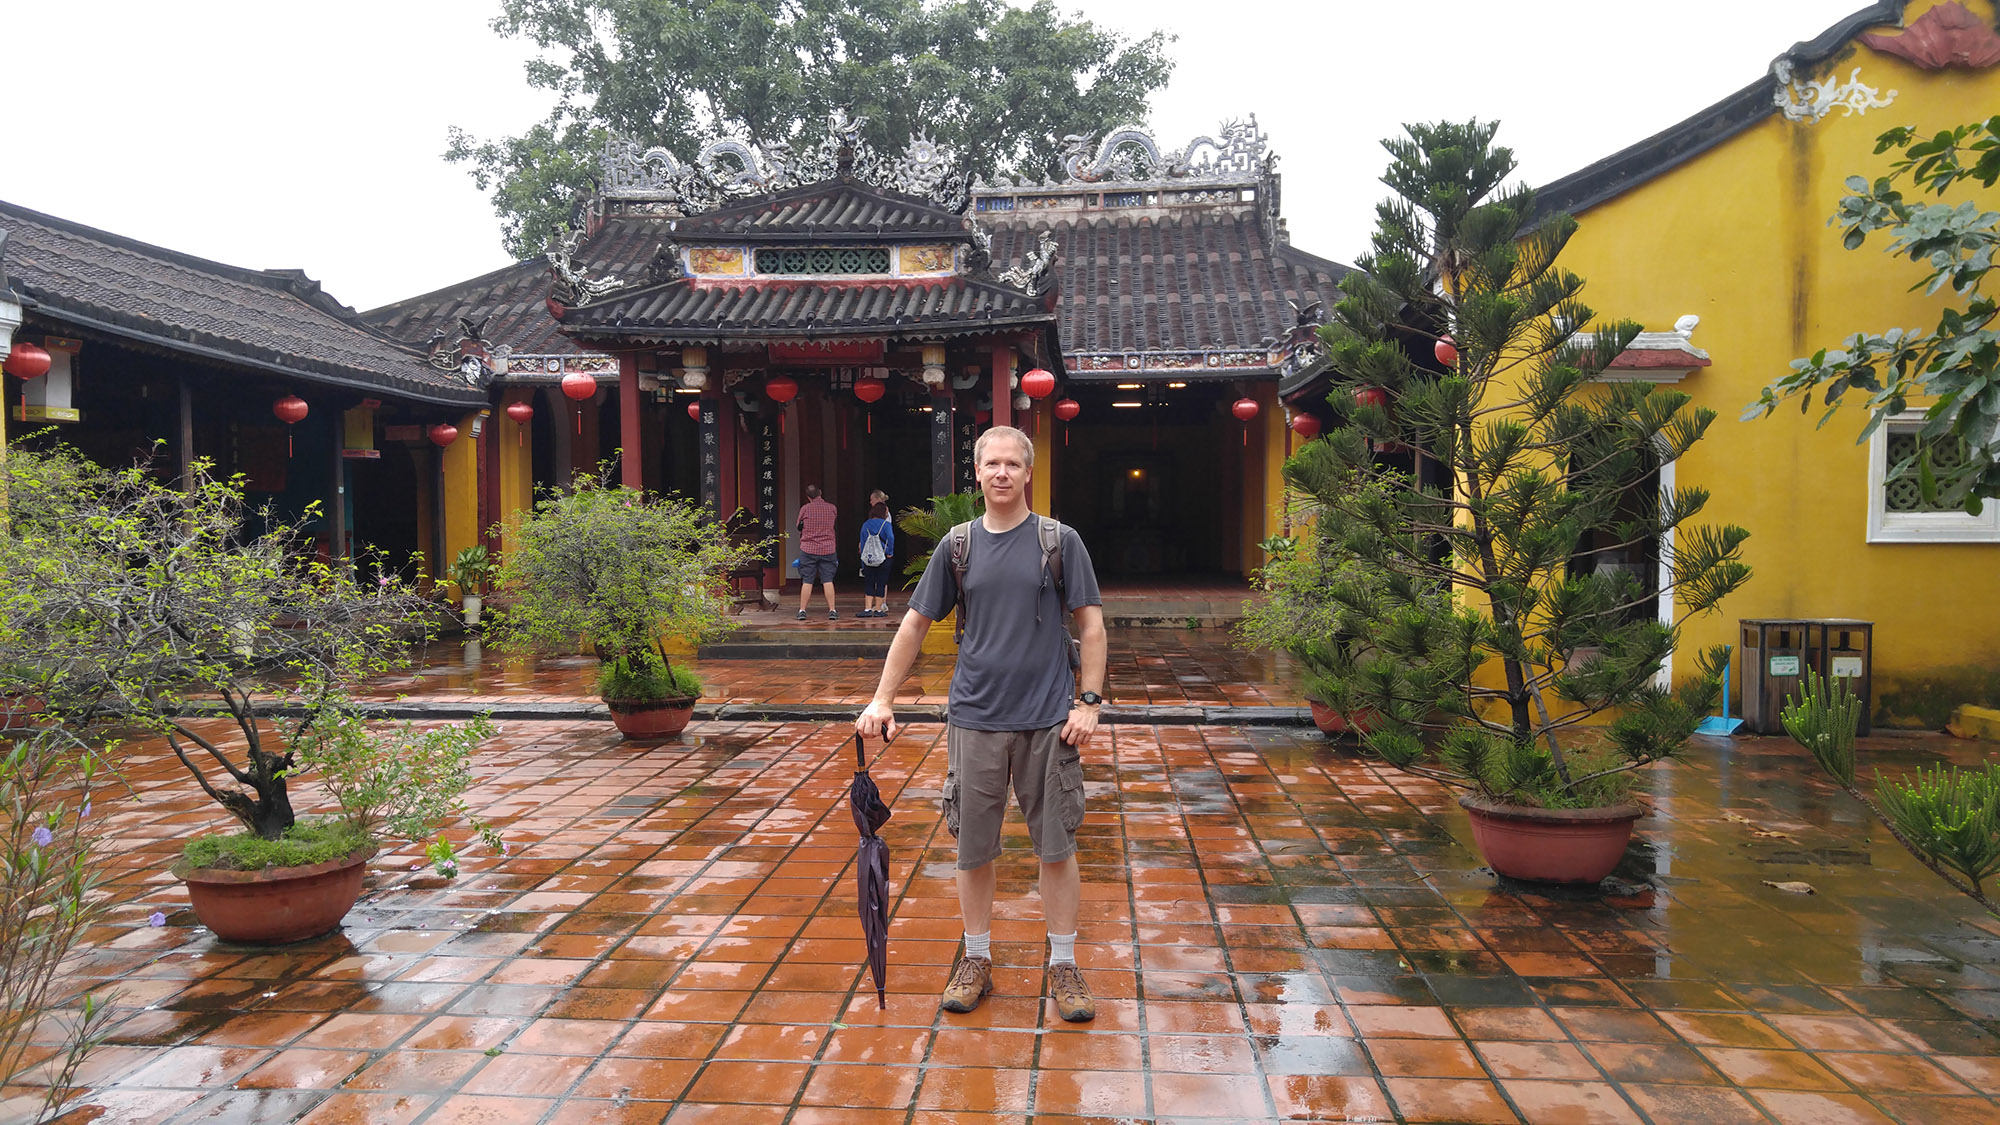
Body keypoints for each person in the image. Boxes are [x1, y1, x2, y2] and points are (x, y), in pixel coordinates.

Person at [855, 426, 1107, 1023]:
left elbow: (1091, 626)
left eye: (1011, 464)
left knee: (1056, 846)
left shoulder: (1059, 541)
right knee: (973, 847)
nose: (1001, 473)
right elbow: (915, 623)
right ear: (977, 473)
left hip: (1049, 719)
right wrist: (882, 699)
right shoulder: (958, 545)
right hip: (975, 717)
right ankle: (975, 959)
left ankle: (1064, 964)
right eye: (990, 463)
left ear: (1027, 473)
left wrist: (1089, 703)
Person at [795, 485, 839, 620]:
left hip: (808, 549)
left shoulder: (805, 509)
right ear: (820, 493)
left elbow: (798, 526)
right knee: (827, 580)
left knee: (807, 580)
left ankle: (802, 610)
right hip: (828, 548)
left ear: (808, 497)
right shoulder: (832, 508)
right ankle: (832, 610)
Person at [858, 491, 896, 618]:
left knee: (869, 582)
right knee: (881, 582)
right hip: (883, 558)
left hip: (868, 558)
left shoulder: (866, 524)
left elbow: (863, 542)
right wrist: (889, 552)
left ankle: (868, 609)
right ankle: (879, 610)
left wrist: (863, 559)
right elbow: (890, 538)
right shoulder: (886, 525)